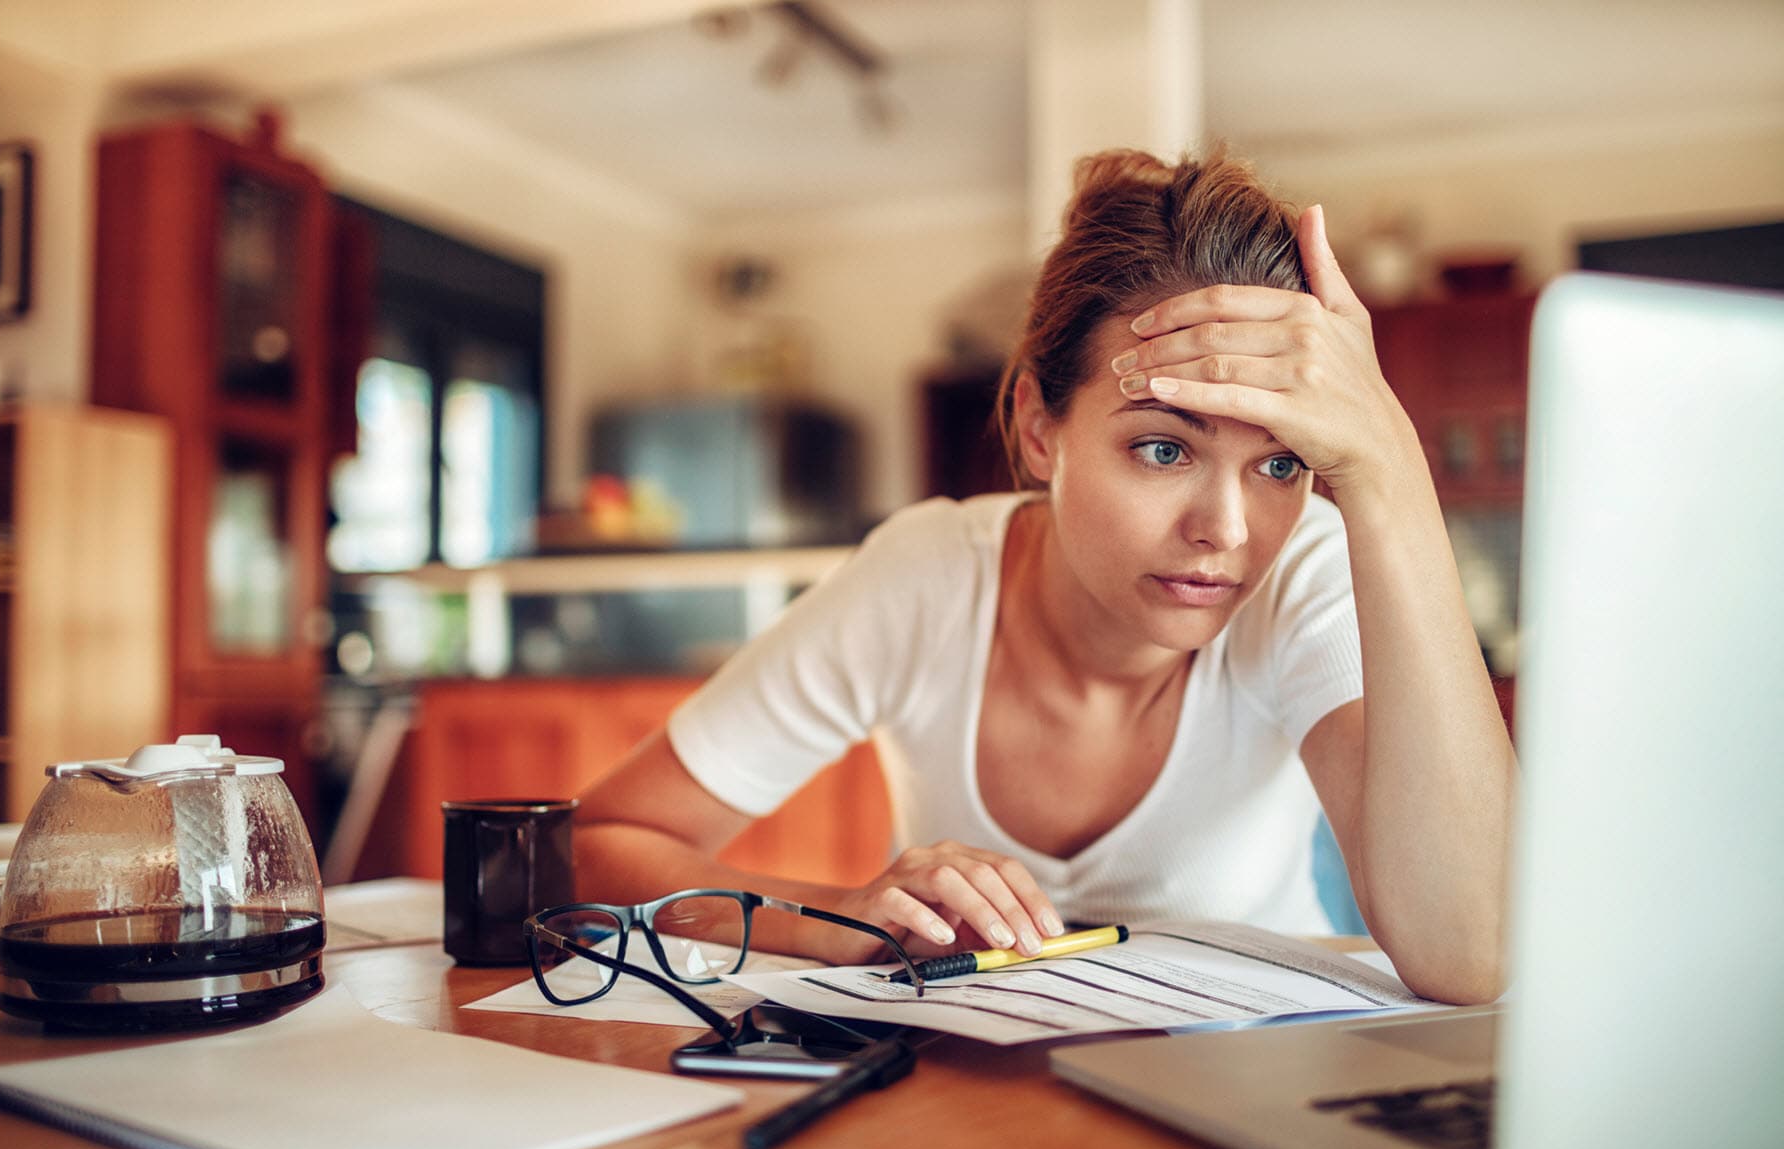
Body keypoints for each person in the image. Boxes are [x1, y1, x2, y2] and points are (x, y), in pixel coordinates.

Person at [573, 148, 1515, 1005]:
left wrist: (1386, 463)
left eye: (1280, 464)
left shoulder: (1302, 573)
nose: (1226, 531)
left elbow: (1476, 955)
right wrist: (841, 913)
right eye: (1161, 448)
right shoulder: (927, 580)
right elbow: (589, 847)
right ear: (1037, 426)